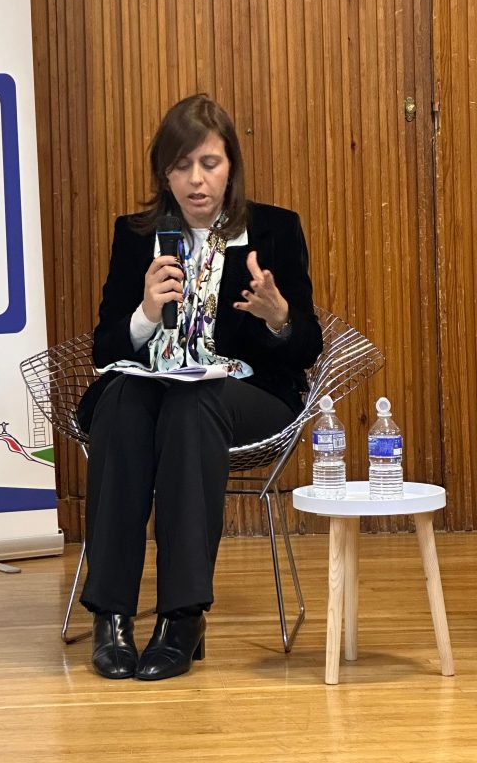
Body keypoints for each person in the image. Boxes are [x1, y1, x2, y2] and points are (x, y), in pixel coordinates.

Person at [77, 94, 323, 681]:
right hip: (151, 388)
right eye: (182, 166)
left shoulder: (274, 230)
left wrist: (278, 317)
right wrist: (144, 312)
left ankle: (181, 619)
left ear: (230, 166)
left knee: (193, 403)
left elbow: (306, 346)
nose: (196, 180)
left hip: (247, 395)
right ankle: (112, 615)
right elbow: (105, 349)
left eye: (209, 164)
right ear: (163, 173)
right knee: (122, 401)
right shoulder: (136, 235)